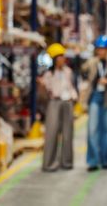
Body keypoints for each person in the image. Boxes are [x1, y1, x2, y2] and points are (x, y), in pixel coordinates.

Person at [81, 35, 107, 171]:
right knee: (92, 130)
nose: (101, 51)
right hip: (94, 97)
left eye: (104, 49)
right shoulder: (91, 62)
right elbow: (82, 72)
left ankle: (105, 161)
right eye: (99, 49)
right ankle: (93, 161)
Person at [42, 43, 77, 172]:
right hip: (54, 103)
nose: (62, 59)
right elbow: (45, 91)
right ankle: (49, 163)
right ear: (54, 59)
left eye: (63, 56)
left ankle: (67, 162)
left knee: (68, 134)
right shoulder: (48, 74)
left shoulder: (68, 71)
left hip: (67, 103)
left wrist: (74, 96)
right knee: (51, 133)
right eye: (59, 57)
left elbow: (71, 86)